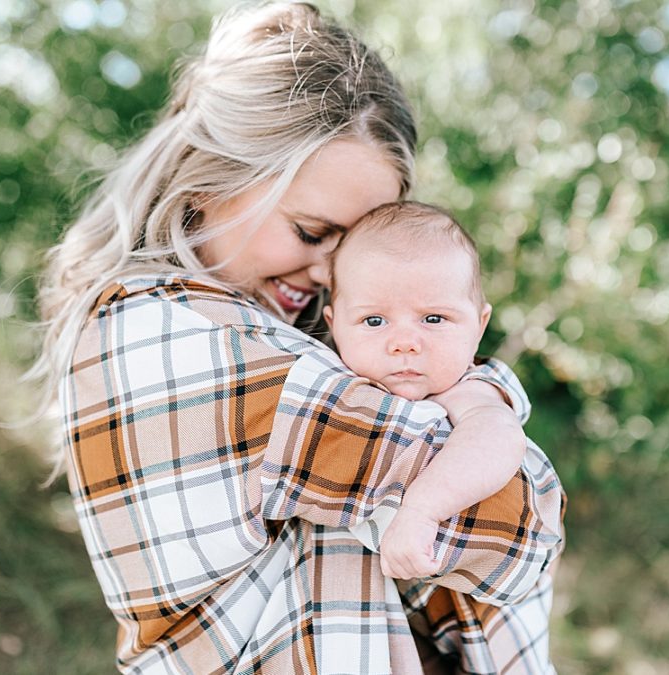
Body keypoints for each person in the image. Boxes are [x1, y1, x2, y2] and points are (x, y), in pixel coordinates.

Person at [35, 3, 564, 673]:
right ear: (209, 177)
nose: (326, 275)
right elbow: (527, 519)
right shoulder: (171, 332)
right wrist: (481, 397)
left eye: (353, 251)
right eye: (312, 232)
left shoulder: (286, 341)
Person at [323, 201, 557, 586]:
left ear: (478, 326)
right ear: (335, 325)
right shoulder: (331, 381)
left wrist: (422, 511)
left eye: (434, 319)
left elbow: (497, 437)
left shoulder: (468, 388)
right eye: (374, 320)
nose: (404, 343)